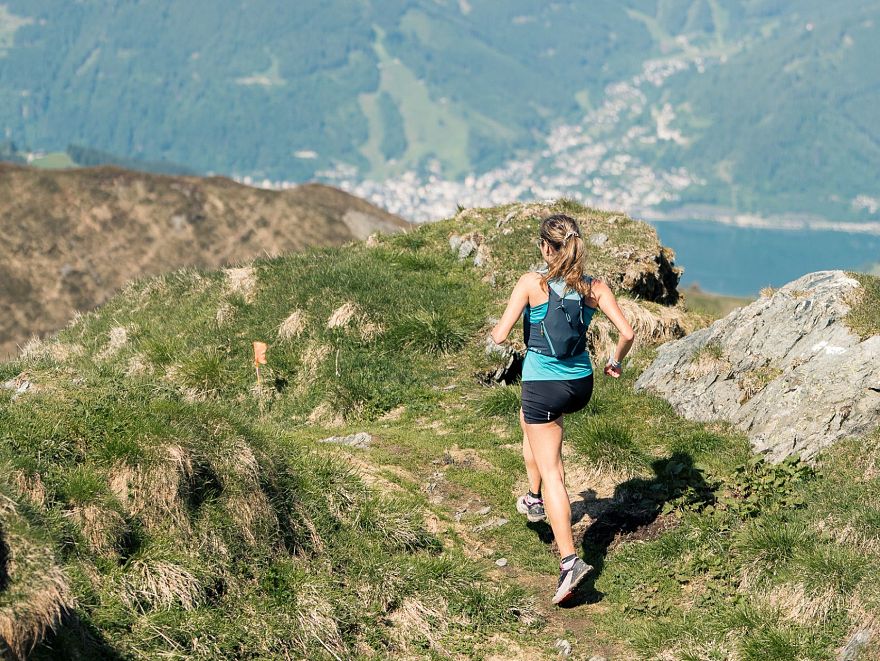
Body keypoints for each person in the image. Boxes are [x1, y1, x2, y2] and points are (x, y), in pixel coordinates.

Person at [490, 213, 635, 605]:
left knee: (553, 468)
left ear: (544, 247)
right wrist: (616, 362)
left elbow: (501, 335)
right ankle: (533, 497)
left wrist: (496, 333)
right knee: (533, 427)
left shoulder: (531, 283)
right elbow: (628, 332)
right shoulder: (594, 287)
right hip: (580, 384)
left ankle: (570, 561)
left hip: (543, 384)